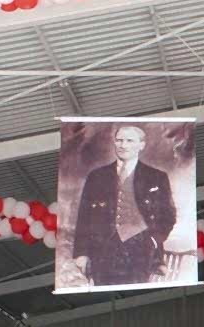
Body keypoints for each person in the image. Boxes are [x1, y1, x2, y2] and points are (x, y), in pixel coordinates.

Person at [70, 123, 177, 288]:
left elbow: (168, 215)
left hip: (141, 250)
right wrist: (81, 253)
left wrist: (153, 240)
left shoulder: (156, 177)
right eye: (119, 140)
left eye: (129, 141)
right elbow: (84, 217)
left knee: (137, 293)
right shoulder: (97, 176)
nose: (123, 145)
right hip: (102, 250)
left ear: (141, 145)